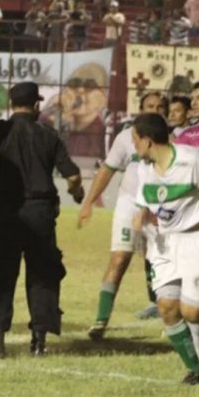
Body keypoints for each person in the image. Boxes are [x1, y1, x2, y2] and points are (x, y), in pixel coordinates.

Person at [0, 81, 84, 358]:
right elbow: (72, 177)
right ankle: (39, 342)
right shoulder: (48, 135)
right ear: (35, 105)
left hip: (5, 212)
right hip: (40, 213)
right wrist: (77, 192)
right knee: (43, 276)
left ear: (12, 104)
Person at [80, 92, 166, 341]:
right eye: (150, 106)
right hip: (129, 206)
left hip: (161, 209)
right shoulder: (126, 138)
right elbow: (107, 170)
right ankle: (101, 320)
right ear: (140, 109)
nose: (155, 109)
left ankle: (166, 315)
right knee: (118, 260)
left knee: (160, 264)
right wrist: (88, 203)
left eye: (160, 106)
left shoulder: (173, 139)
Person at [132, 113, 199, 385]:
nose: (133, 146)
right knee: (167, 307)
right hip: (162, 242)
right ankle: (195, 368)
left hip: (194, 239)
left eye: (135, 140)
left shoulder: (191, 160)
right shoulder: (143, 169)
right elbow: (144, 204)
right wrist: (141, 219)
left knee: (192, 311)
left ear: (147, 141)